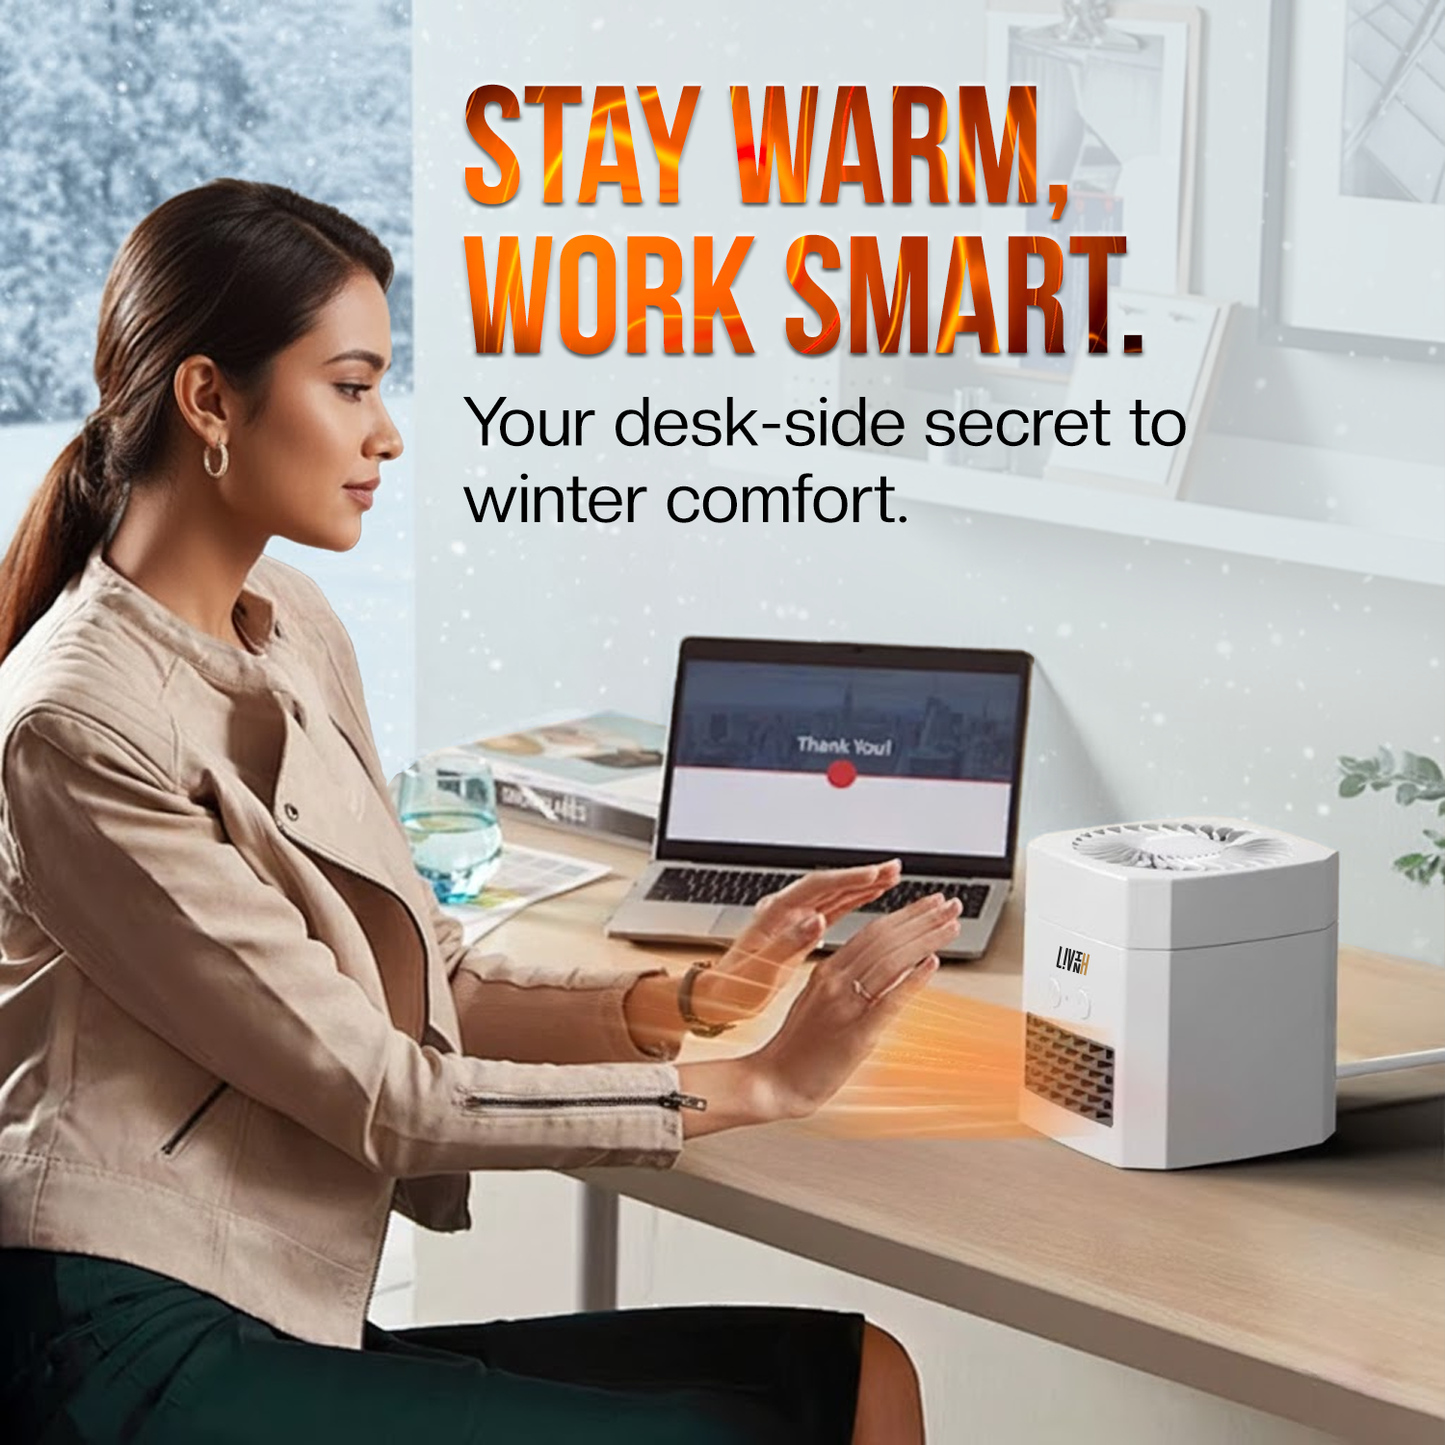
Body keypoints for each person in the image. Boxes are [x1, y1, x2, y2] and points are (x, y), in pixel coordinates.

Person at [0, 180, 961, 1444]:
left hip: (279, 1287)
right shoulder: (73, 727)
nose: (386, 433)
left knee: (856, 1379)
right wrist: (759, 1081)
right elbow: (385, 1091)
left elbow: (421, 980)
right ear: (208, 399)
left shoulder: (294, 624)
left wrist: (689, 1003)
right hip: (130, 1337)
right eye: (350, 386)